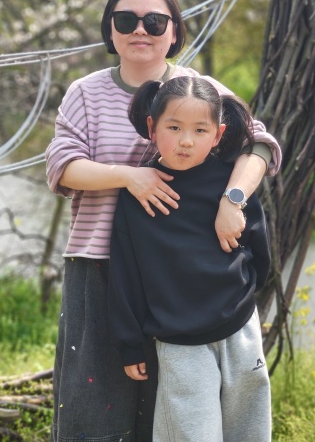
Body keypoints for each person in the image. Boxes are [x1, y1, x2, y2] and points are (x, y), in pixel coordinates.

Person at [44, 0, 281, 442]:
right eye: (126, 19)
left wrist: (233, 200)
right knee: (97, 401)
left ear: (174, 30)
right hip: (100, 265)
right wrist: (129, 176)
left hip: (180, 278)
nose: (140, 30)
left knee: (175, 406)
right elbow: (62, 166)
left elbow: (259, 143)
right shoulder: (85, 92)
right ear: (110, 28)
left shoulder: (196, 89)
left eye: (154, 21)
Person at [108, 76, 271, 442]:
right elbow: (125, 273)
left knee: (250, 430)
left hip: (240, 329)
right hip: (178, 340)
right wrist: (130, 343)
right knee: (191, 434)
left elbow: (259, 249)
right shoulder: (140, 194)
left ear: (218, 135)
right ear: (152, 127)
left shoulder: (231, 187)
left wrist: (243, 295)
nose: (186, 140)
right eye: (174, 127)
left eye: (200, 130)